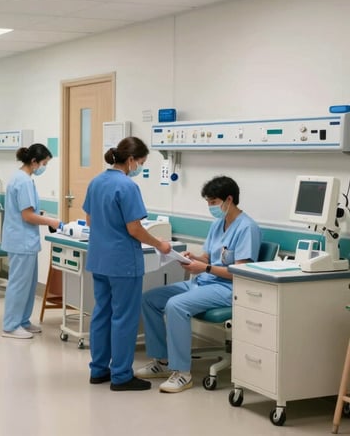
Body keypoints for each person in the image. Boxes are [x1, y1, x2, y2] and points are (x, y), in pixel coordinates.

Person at [137, 175, 261, 393]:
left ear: (229, 200)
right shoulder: (217, 225)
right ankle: (163, 362)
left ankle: (182, 373)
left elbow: (241, 273)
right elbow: (208, 257)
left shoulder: (246, 228)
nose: (211, 207)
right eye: (209, 203)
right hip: (205, 281)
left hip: (228, 288)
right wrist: (191, 258)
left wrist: (204, 268)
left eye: (213, 202)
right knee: (149, 299)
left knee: (176, 305)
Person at [83, 137, 172, 392]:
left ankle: (99, 370)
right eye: (141, 162)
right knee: (124, 318)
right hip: (123, 263)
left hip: (99, 259)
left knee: (101, 314)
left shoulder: (96, 181)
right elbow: (134, 229)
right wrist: (159, 244)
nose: (140, 167)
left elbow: (89, 221)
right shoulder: (127, 186)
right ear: (131, 160)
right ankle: (121, 376)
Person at [1, 144, 63, 339]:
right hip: (21, 241)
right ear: (34, 162)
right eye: (44, 163)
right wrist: (51, 221)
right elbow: (27, 216)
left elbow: (27, 211)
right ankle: (11, 326)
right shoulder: (24, 182)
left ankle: (23, 321)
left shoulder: (20, 178)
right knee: (19, 284)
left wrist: (42, 216)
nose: (44, 167)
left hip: (23, 240)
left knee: (27, 284)